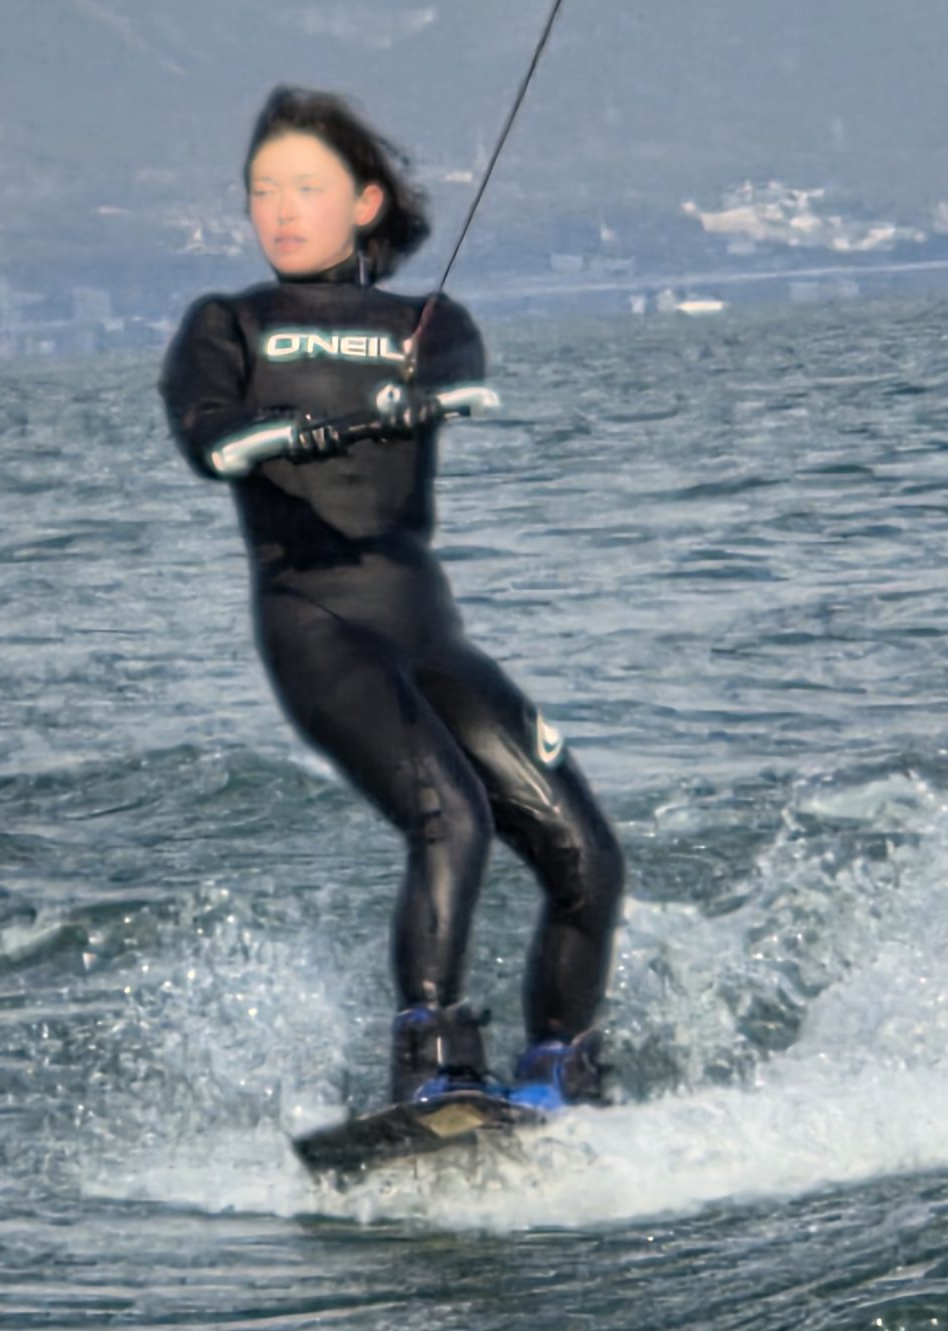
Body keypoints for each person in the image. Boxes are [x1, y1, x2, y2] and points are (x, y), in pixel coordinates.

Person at [158, 85, 624, 1110]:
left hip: (428, 633)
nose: (280, 210)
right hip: (317, 627)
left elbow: (460, 379)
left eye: (305, 188)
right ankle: (426, 1064)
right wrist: (300, 431)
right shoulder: (227, 325)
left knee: (585, 855)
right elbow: (211, 439)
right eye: (262, 191)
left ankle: (558, 1072)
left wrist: (417, 397)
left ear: (365, 203)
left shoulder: (427, 322)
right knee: (450, 817)